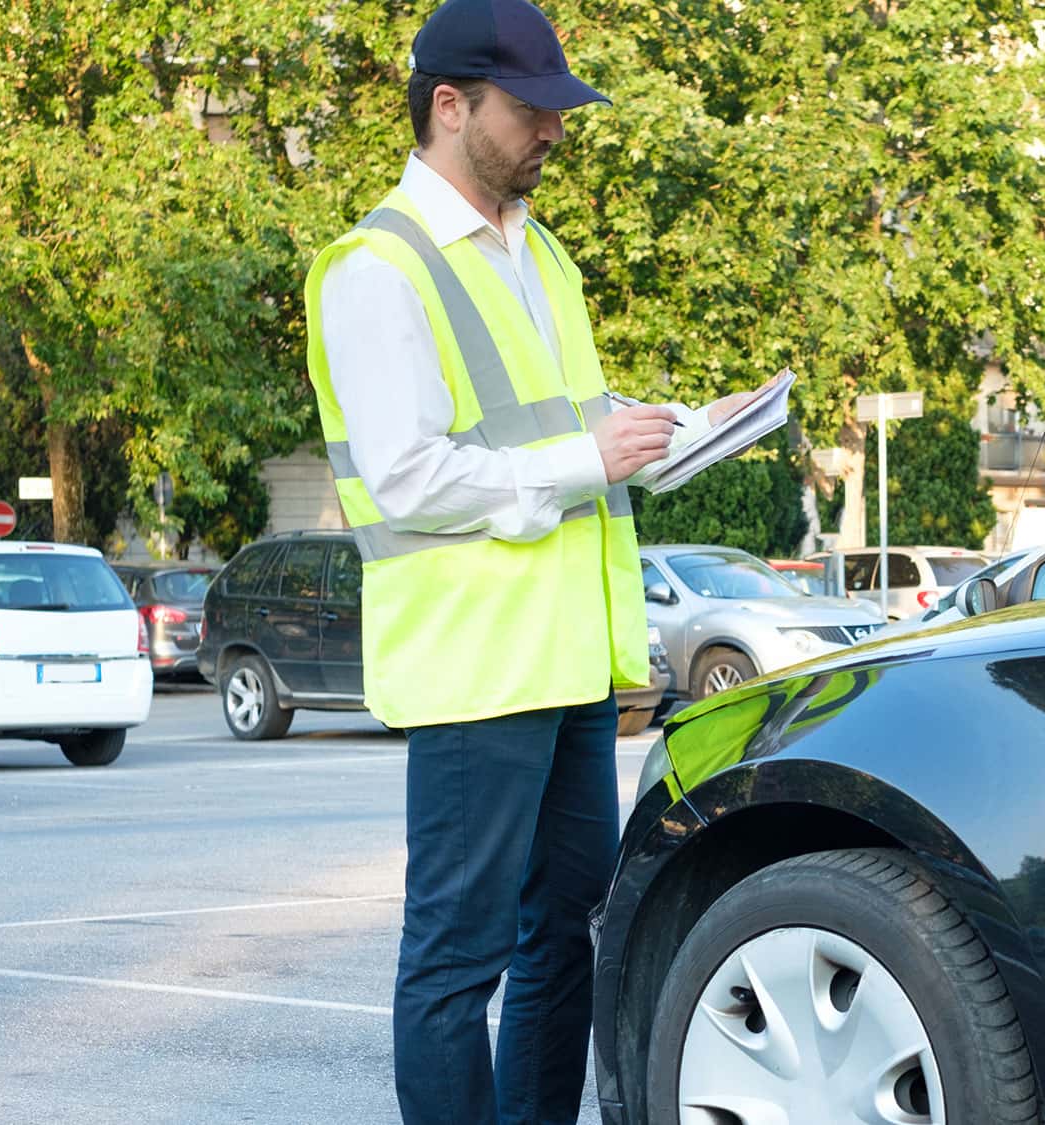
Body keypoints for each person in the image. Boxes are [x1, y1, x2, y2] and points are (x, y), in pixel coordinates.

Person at [301, 1, 769, 1120]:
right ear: (449, 106)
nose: (555, 131)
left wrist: (677, 438)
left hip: (562, 664)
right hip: (471, 668)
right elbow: (407, 476)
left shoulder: (540, 251)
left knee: (567, 938)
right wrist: (583, 453)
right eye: (533, 109)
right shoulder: (374, 268)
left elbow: (569, 432)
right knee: (456, 960)